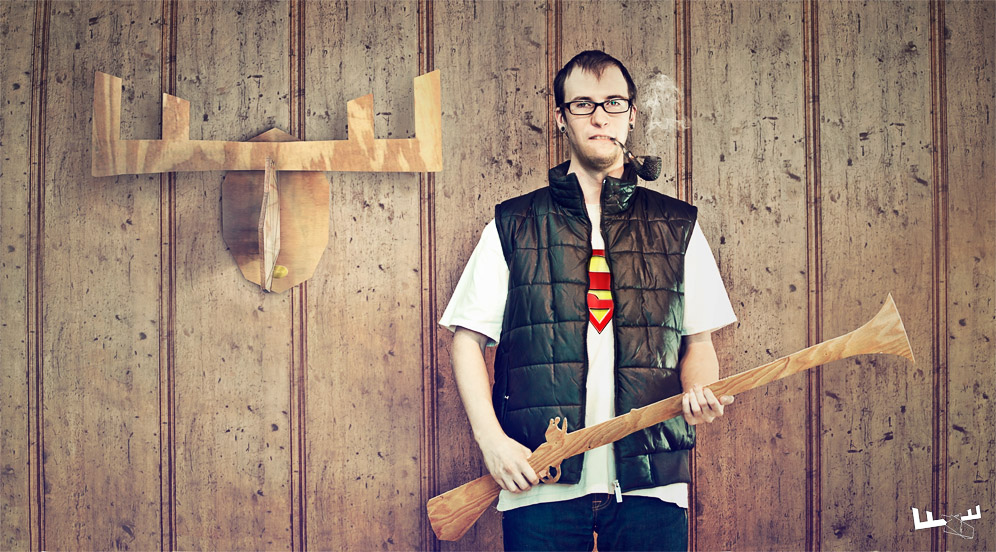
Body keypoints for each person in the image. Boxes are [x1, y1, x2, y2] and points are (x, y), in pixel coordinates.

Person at [439, 50, 737, 551]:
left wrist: (699, 392)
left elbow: (698, 344)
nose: (600, 116)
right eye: (583, 104)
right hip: (539, 479)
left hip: (651, 480)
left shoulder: (677, 225)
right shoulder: (514, 224)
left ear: (632, 115)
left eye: (613, 102)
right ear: (562, 118)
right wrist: (493, 444)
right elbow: (467, 340)